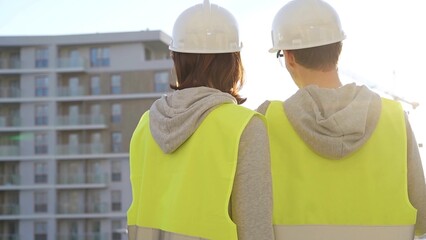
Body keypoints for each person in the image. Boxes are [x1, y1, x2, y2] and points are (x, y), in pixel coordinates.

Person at [257, 0, 426, 239]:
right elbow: (421, 215)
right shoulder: (394, 117)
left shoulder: (267, 119)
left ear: (290, 57)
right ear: (339, 48)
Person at [126, 0, 274, 239]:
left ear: (176, 58)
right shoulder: (244, 127)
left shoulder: (145, 126)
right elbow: (255, 228)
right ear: (234, 61)